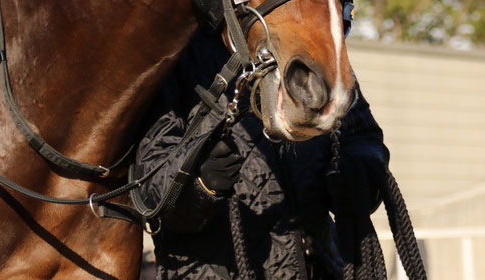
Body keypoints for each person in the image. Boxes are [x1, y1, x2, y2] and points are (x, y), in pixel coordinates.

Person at [133, 27, 392, 279]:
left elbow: (361, 135)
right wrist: (201, 184)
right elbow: (149, 189)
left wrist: (360, 168)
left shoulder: (309, 39)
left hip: (321, 266)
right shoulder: (174, 50)